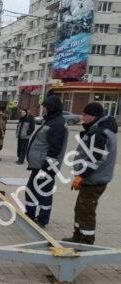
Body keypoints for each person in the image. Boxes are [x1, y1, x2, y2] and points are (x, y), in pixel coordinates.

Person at [63, 103, 118, 245]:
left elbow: (97, 158)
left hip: (94, 180)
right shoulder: (98, 129)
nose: (82, 117)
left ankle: (86, 243)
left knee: (86, 211)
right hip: (91, 179)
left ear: (94, 116)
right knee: (80, 209)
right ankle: (77, 237)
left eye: (85, 115)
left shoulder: (100, 132)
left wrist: (81, 175)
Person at [25, 95, 68, 228]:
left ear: (52, 108)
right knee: (31, 190)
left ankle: (42, 220)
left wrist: (46, 168)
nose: (44, 110)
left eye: (45, 108)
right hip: (39, 165)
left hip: (45, 167)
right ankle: (30, 215)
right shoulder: (51, 121)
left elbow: (55, 150)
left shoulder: (57, 124)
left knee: (43, 193)